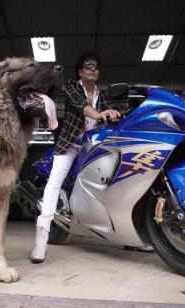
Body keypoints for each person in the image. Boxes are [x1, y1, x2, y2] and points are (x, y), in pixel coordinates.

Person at [30, 50, 122, 263]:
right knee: (54, 183)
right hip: (71, 144)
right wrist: (100, 114)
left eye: (96, 67)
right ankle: (41, 242)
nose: (93, 69)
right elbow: (83, 107)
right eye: (89, 66)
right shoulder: (72, 86)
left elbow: (111, 110)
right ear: (80, 71)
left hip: (93, 146)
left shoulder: (104, 95)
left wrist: (115, 112)